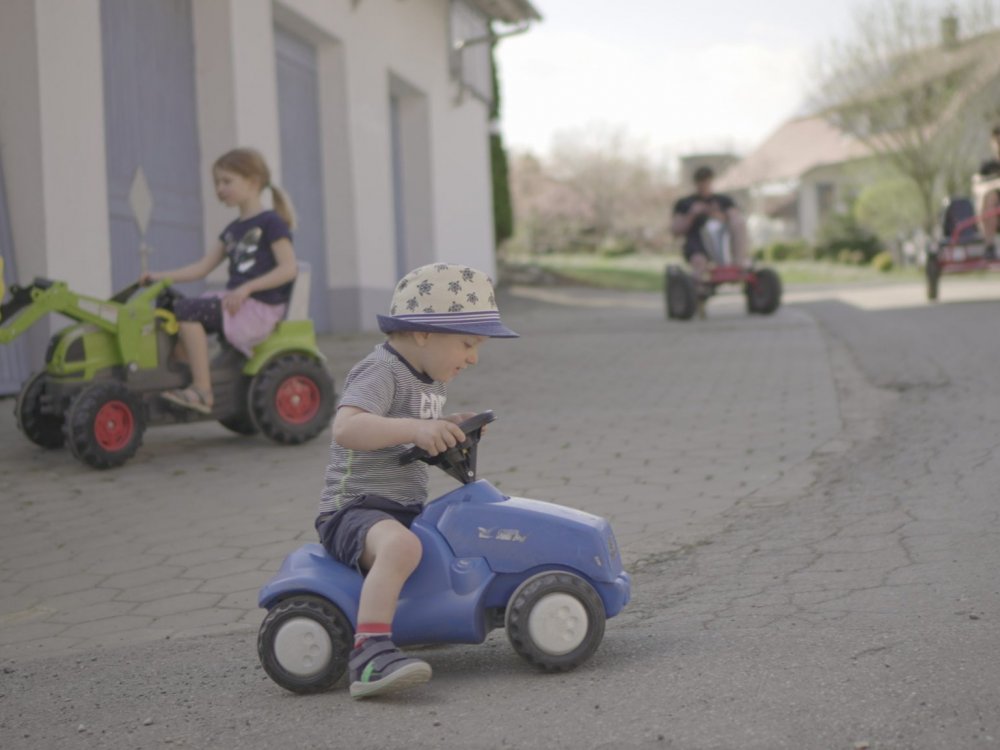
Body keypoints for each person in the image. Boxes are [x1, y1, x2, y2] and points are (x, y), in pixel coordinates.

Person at [315, 263, 518, 699]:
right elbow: (347, 427)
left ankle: (425, 622)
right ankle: (368, 656)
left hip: (398, 507)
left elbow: (413, 432)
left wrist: (447, 425)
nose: (473, 358)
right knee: (405, 547)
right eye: (467, 343)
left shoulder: (427, 380)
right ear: (423, 332)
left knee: (448, 536)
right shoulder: (381, 371)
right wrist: (415, 429)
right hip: (355, 509)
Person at [140, 148, 298, 413]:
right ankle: (183, 374)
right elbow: (202, 268)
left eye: (227, 181)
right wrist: (160, 277)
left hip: (258, 307)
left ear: (252, 182)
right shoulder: (233, 230)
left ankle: (203, 391)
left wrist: (248, 287)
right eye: (217, 183)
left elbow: (288, 269)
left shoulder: (271, 223)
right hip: (237, 302)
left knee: (188, 312)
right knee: (171, 306)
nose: (220, 188)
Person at [671, 165, 750, 277]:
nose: (704, 186)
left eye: (707, 182)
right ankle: (697, 285)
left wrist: (715, 214)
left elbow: (737, 219)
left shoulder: (723, 201)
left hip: (724, 240)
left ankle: (739, 261)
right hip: (697, 243)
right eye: (701, 182)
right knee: (699, 262)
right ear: (696, 183)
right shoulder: (685, 203)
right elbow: (675, 231)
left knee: (738, 220)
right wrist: (692, 214)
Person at [975, 124, 1000, 259]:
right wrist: (995, 184)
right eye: (997, 141)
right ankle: (989, 245)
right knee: (989, 196)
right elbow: (977, 185)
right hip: (992, 210)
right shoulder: (987, 166)